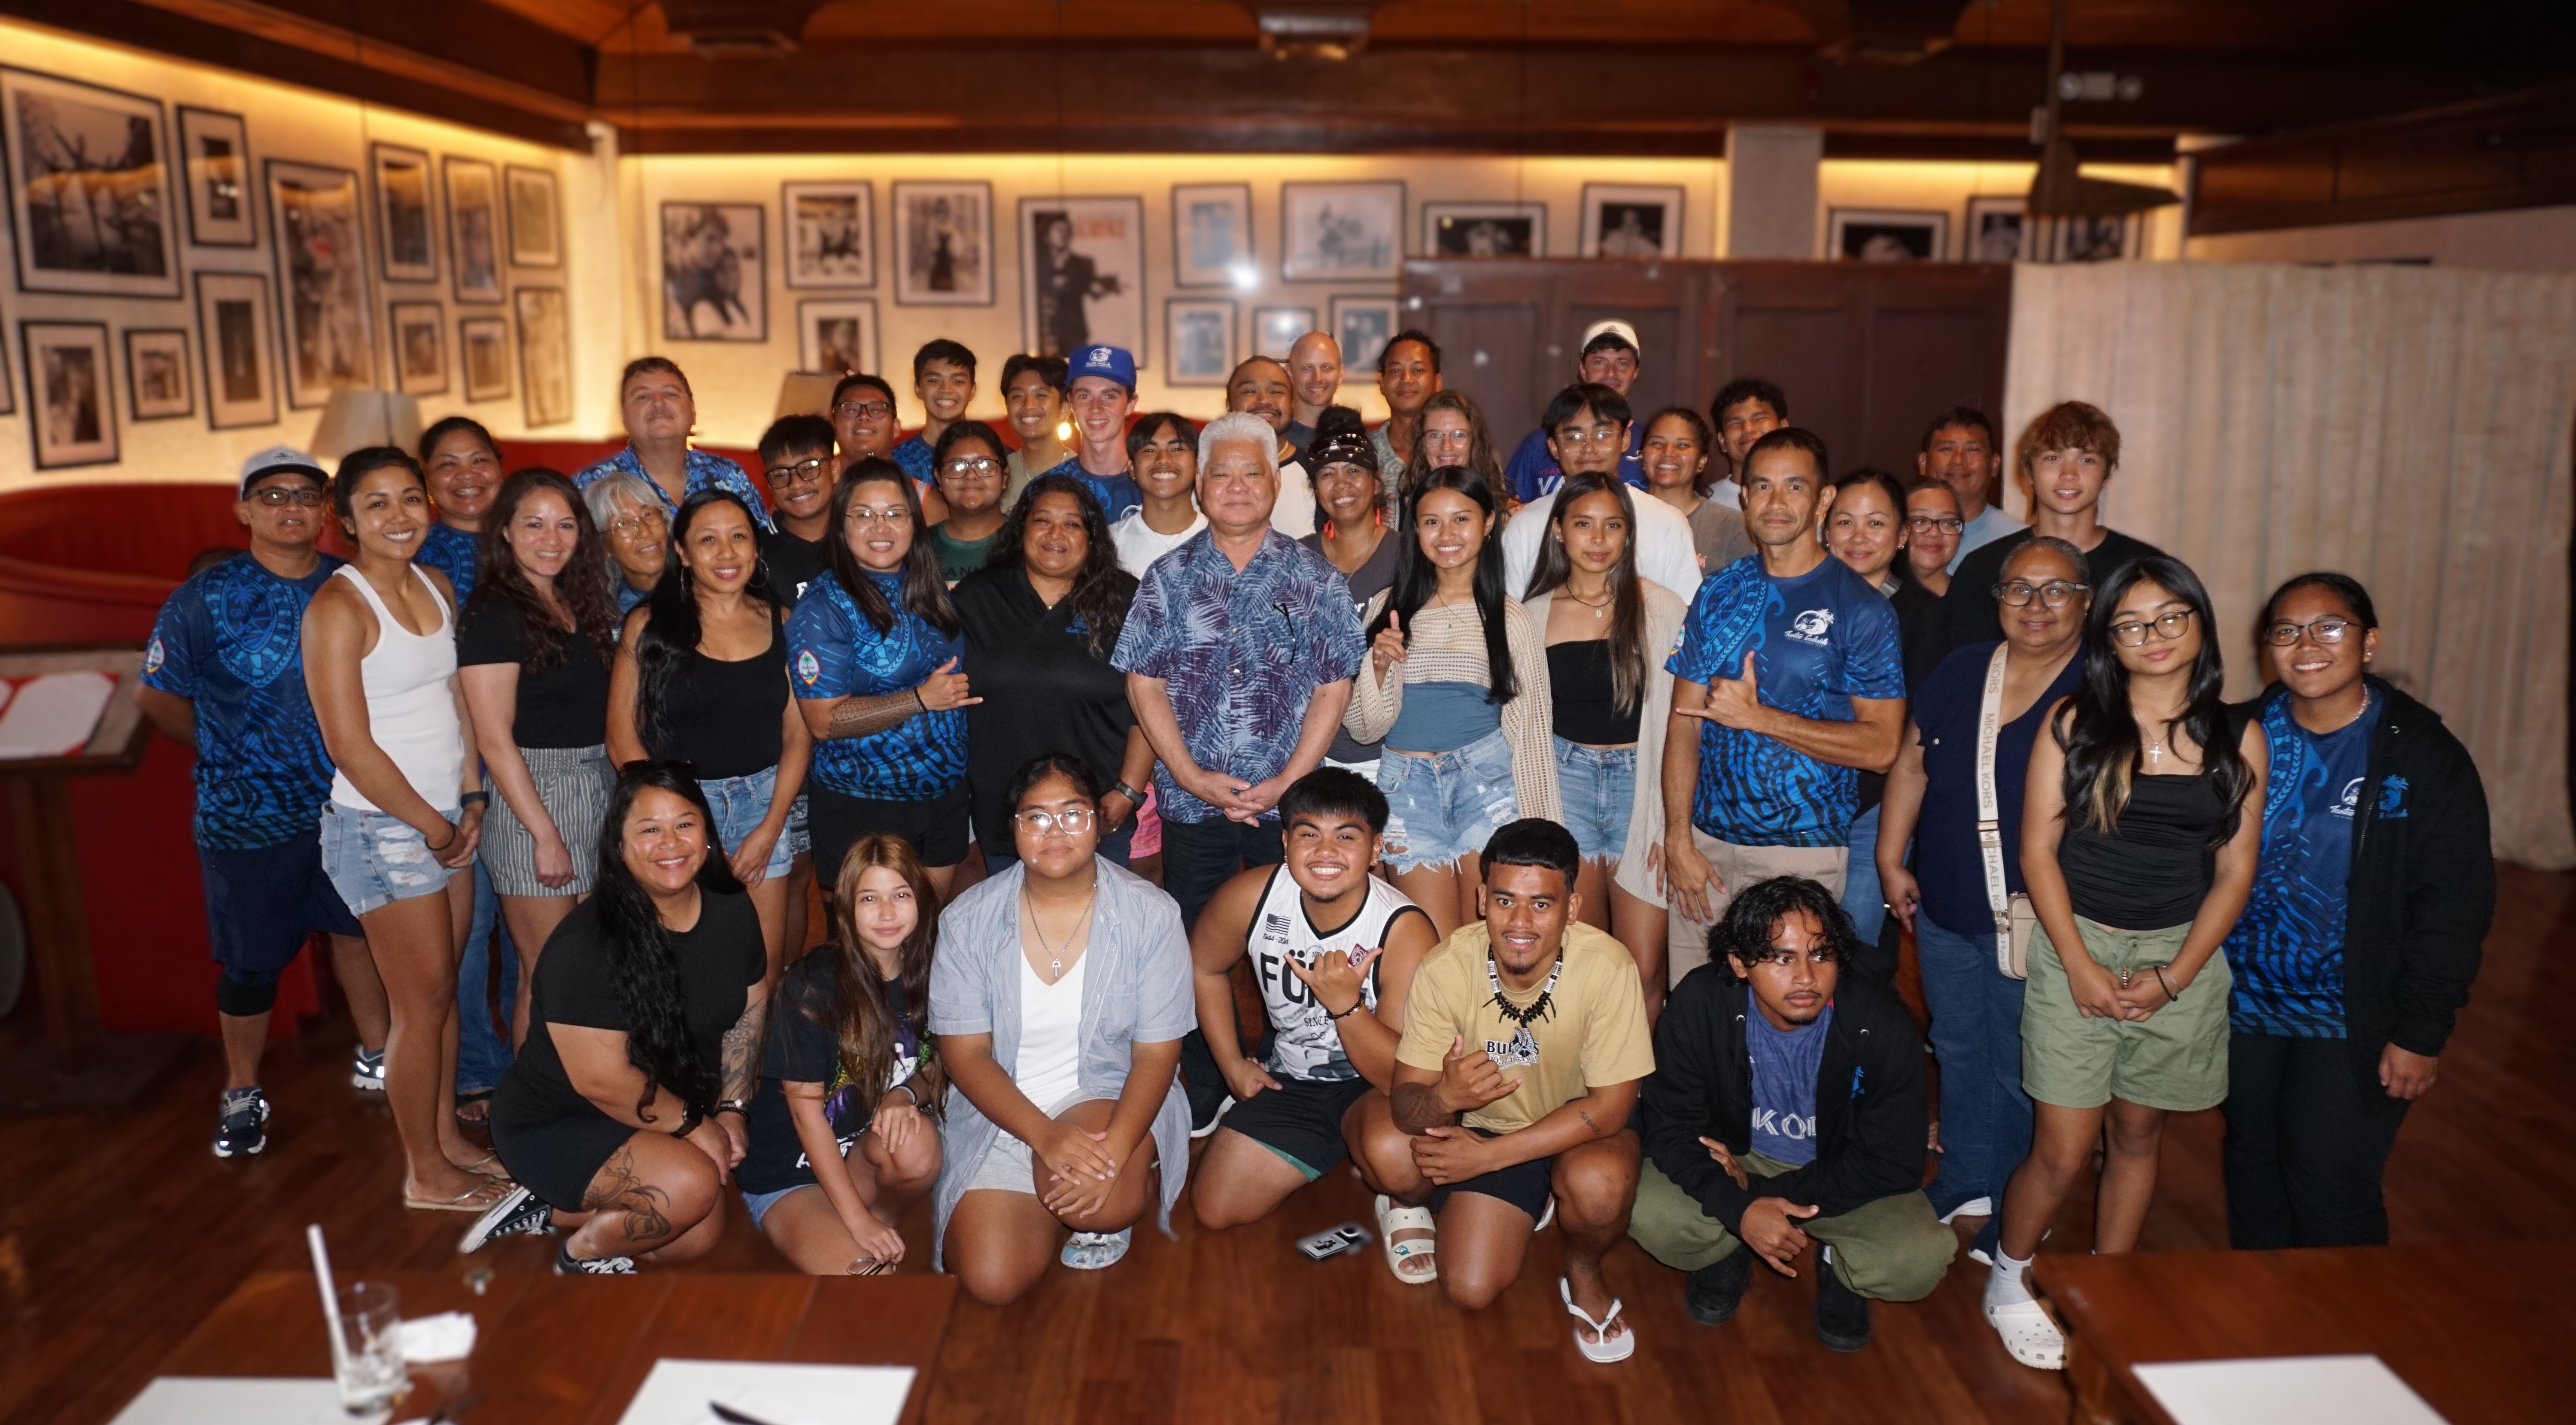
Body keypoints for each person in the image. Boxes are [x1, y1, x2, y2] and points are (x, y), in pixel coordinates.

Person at [1984, 555, 2266, 1371]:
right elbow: (2037, 848)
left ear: (2201, 625)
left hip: (2183, 954)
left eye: (2171, 617)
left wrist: (2175, 975)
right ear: (2110, 638)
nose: (2154, 636)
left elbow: (2237, 867)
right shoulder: (2077, 721)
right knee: (2064, 1149)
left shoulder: (2236, 733)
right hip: (2083, 943)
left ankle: (2109, 1287)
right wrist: (2076, 965)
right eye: (2133, 623)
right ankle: (2009, 1275)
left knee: (2138, 1136)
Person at [2222, 573, 2492, 1249]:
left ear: (2369, 642)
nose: (2307, 645)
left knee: (2329, 1184)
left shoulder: (2420, 754)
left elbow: (2454, 903)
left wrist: (2423, 1029)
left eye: (2330, 628)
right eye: (2286, 632)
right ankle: (2264, 1329)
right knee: (2252, 1165)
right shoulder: (2234, 735)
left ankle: (2349, 1339)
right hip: (2235, 1006)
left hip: (2353, 1014)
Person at [140, 446, 388, 1158]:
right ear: (245, 511)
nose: (291, 508)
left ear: (325, 513)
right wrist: (230, 751)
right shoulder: (203, 598)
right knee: (252, 964)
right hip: (245, 818)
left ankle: (380, 1056)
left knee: (359, 934)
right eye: (272, 496)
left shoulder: (356, 584)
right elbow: (156, 696)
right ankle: (242, 1091)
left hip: (349, 806)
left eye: (306, 495)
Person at [464, 763, 769, 1273]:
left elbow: (750, 1012)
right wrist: (697, 1125)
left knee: (695, 1236)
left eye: (685, 823)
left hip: (657, 1102)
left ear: (708, 834)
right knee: (689, 1189)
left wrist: (735, 1107)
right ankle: (577, 1255)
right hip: (559, 1117)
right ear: (619, 846)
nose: (670, 842)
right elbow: (603, 1082)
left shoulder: (731, 906)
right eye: (649, 829)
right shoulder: (585, 946)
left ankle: (544, 1206)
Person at [302, 447, 503, 1212]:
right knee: (417, 1008)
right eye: (376, 504)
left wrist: (470, 797)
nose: (399, 516)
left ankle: (449, 1141)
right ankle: (424, 1172)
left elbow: (456, 701)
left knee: (444, 993)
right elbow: (348, 745)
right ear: (345, 521)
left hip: (445, 817)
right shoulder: (338, 608)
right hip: (382, 830)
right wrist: (431, 824)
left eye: (410, 499)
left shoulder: (437, 584)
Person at [1632, 877, 1954, 1352]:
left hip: (1839, 1171)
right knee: (1650, 1212)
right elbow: (1668, 1125)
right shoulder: (1701, 1003)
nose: (1806, 976)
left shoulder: (1879, 1022)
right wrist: (1738, 1208)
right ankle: (1729, 1249)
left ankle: (1837, 1267)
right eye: (1782, 957)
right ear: (1740, 963)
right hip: (1738, 1156)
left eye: (1821, 954)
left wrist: (1752, 1198)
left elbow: (1894, 1163)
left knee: (1916, 1261)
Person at [1878, 538, 2092, 1241]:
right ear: (1997, 599)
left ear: (2085, 601)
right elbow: (1912, 763)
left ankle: (2021, 1206)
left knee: (2022, 1062)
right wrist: (1890, 853)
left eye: (2055, 590)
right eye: (2020, 589)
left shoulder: (2103, 687)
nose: (2035, 606)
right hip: (1945, 902)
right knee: (1960, 1048)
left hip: (2042, 918)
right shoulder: (1965, 668)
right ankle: (1969, 1177)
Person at [929, 755, 1194, 1303]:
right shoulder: (966, 919)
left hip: (1105, 1096)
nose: (1055, 832)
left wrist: (1121, 1145)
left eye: (1073, 814)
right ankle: (1049, 1196)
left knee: (1109, 1194)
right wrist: (1045, 1137)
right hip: (1002, 1109)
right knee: (990, 1280)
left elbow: (1156, 1055)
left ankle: (1097, 1199)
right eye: (1036, 817)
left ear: (1101, 820)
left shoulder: (1152, 914)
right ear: (1013, 828)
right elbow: (967, 1055)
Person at [1391, 820, 1653, 1361]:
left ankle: (1583, 1270)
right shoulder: (1446, 968)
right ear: (1483, 898)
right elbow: (1405, 1102)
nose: (1520, 921)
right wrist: (1448, 1098)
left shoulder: (1608, 965)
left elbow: (1611, 1107)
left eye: (1541, 904)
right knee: (1469, 1287)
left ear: (1573, 908)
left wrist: (1488, 1157)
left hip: (1579, 1127)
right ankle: (1529, 1198)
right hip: (1494, 1129)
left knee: (1599, 1183)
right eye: (1506, 900)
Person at [1661, 428, 1904, 986]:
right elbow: (1684, 727)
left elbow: (1884, 748)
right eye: (1762, 486)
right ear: (1743, 496)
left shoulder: (1862, 610)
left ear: (1822, 499)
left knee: (1784, 1021)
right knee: (1698, 1017)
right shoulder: (1717, 592)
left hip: (1804, 855)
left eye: (1794, 487)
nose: (1775, 503)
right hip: (1707, 851)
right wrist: (1678, 837)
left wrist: (1759, 718)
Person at [1113, 410, 1366, 934]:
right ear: (1201, 486)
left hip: (1293, 807)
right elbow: (1144, 684)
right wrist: (1190, 776)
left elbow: (1333, 689)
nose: (1237, 487)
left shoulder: (1317, 579)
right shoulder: (1166, 578)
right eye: (1222, 475)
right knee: (1197, 941)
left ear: (1276, 483)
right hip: (1192, 802)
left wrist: (1287, 782)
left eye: (1252, 473)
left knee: (1294, 938)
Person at [1188, 770, 1443, 1282]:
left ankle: (1393, 1194)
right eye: (1309, 834)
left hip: (1374, 1088)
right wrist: (1233, 1063)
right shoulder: (1252, 894)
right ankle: (1336, 1145)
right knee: (1216, 1208)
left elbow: (1401, 1079)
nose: (1326, 851)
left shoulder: (1405, 928)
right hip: (1293, 1078)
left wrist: (1347, 1007)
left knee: (1401, 1164)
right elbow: (1203, 966)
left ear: (1375, 850)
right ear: (1285, 842)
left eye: (1347, 836)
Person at [1348, 464, 1559, 940]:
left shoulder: (1510, 617)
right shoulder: (1390, 606)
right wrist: (1378, 666)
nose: (1446, 534)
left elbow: (1531, 739)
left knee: (1490, 945)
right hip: (1406, 789)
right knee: (1436, 953)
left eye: (1461, 519)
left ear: (1487, 523)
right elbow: (1365, 729)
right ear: (1414, 529)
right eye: (1431, 521)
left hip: (1487, 786)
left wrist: (1549, 840)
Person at [608, 489, 811, 983]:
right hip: (675, 811)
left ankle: (748, 1064)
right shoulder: (649, 624)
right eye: (708, 539)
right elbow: (621, 737)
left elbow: (797, 734)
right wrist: (678, 823)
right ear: (682, 552)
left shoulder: (781, 621)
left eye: (739, 537)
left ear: (756, 548)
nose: (726, 553)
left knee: (759, 969)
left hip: (764, 804)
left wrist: (770, 827)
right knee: (684, 967)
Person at [459, 468, 620, 1045]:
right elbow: (493, 738)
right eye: (534, 525)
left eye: (565, 525)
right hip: (534, 795)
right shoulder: (494, 614)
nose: (551, 539)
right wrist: (543, 834)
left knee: (588, 968)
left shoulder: (572, 601)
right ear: (504, 531)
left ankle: (578, 1099)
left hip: (593, 785)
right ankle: (530, 1119)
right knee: (548, 975)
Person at [735, 834, 945, 1274]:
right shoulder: (814, 986)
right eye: (870, 897)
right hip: (791, 1174)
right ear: (846, 907)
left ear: (923, 900)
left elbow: (929, 1063)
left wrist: (904, 1094)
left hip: (858, 1159)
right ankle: (836, 1226)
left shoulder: (933, 971)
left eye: (900, 894)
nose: (887, 912)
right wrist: (857, 1222)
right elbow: (805, 1113)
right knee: (871, 1279)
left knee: (918, 1145)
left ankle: (867, 1222)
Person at [1522, 470, 1687, 1010]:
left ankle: (1645, 1094)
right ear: (1558, 532)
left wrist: (1672, 819)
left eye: (1612, 525)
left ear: (1628, 535)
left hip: (1641, 788)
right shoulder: (1530, 614)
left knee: (1643, 967)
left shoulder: (1660, 607)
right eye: (1584, 524)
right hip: (1564, 784)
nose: (1598, 539)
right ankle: (1593, 1087)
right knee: (1582, 961)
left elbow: (1682, 720)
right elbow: (1520, 727)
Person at [788, 459, 975, 896]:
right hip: (864, 804)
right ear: (841, 524)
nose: (881, 527)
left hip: (943, 797)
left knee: (928, 940)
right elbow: (824, 722)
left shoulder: (926, 584)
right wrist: (919, 699)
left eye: (895, 513)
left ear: (915, 521)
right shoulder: (823, 608)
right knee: (866, 951)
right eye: (864, 514)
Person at [953, 475, 1154, 871]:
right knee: (1017, 927)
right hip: (1004, 810)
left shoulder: (1126, 601)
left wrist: (1128, 792)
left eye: (1073, 524)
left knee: (1098, 928)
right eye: (1042, 520)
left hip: (1097, 809)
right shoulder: (977, 598)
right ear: (1021, 529)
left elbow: (1148, 707)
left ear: (1092, 537)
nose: (1055, 534)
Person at [417, 417, 516, 1115]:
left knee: (535, 925)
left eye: (478, 460)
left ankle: (538, 1059)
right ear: (427, 481)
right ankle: (479, 1067)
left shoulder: (532, 537)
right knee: (472, 927)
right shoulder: (415, 558)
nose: (466, 475)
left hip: (538, 758)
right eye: (447, 465)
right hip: (456, 770)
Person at [1822, 467, 1951, 951]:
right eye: (1845, 522)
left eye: (1875, 524)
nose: (1858, 537)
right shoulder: (1800, 601)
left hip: (1873, 809)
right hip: (1793, 804)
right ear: (1825, 529)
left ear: (1901, 536)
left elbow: (1911, 736)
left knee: (1849, 952)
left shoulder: (1926, 615)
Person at [1948, 401, 2165, 649]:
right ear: (2028, 472)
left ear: (2107, 473)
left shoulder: (2144, 568)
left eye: (2087, 460)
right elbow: (1966, 669)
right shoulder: (1983, 568)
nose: (2068, 474)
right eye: (2053, 458)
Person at [1499, 385, 1702, 606]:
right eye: (1574, 437)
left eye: (1603, 434)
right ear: (1554, 448)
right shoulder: (1525, 525)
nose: (1589, 447)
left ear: (1626, 440)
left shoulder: (1668, 522)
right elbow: (1511, 618)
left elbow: (1686, 615)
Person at [1301, 407, 1400, 782]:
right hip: (1311, 751)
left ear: (1376, 484)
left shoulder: (1409, 557)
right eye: (1327, 474)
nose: (1341, 485)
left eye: (1353, 471)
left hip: (1391, 753)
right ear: (1315, 489)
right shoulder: (1295, 559)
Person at [572, 357, 768, 526]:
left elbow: (762, 546)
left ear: (693, 411)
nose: (658, 402)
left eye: (670, 393)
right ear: (624, 418)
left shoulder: (728, 475)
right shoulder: (590, 486)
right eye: (642, 396)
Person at [1504, 321, 1648, 500]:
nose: (1611, 373)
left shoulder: (1651, 443)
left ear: (1636, 371)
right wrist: (1512, 509)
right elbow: (1507, 501)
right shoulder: (1539, 443)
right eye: (1599, 362)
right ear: (1583, 369)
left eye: (1623, 363)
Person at [1640, 406, 1753, 576]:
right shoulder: (1620, 516)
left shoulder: (1731, 526)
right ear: (1642, 455)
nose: (1668, 453)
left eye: (1683, 445)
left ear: (1702, 461)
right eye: (1657, 443)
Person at [1226, 355, 1318, 538]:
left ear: (1292, 404)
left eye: (1276, 392)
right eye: (1250, 391)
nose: (1264, 400)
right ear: (1229, 405)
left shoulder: (1317, 469)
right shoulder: (1204, 468)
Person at [1917, 407, 2021, 568]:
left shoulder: (2018, 541)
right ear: (1924, 463)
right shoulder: (1898, 530)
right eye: (1946, 449)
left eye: (1973, 449)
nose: (1958, 460)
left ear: (1995, 465)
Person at [1108, 412, 1204, 577]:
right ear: (1132, 469)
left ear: (1197, 464)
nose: (1163, 459)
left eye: (1176, 449)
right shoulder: (1109, 543)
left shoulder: (1221, 538)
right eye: (1150, 450)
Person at [755, 414, 836, 604]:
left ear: (835, 469)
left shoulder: (863, 536)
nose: (797, 484)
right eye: (780, 474)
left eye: (808, 468)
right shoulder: (756, 552)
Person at [1065, 344, 1146, 524]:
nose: (1096, 408)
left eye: (1109, 396)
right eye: (1084, 396)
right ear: (1071, 403)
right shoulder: (1049, 487)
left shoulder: (1153, 486)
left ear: (1131, 404)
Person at [924, 419, 1010, 585]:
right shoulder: (920, 547)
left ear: (1004, 477)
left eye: (984, 464)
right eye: (957, 466)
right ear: (939, 478)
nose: (971, 475)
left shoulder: (1028, 541)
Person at [891, 338, 977, 494]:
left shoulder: (995, 456)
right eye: (934, 381)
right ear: (918, 388)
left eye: (958, 381)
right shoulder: (896, 463)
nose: (946, 389)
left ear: (972, 390)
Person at [1370, 330, 1443, 510]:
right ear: (1382, 383)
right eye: (1396, 371)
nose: (1407, 379)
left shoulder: (1459, 451)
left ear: (1438, 382)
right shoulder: (1364, 453)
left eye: (1417, 370)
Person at [1001, 353, 1079, 507]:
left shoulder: (1082, 475)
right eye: (1017, 396)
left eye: (1041, 395)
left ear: (1064, 409)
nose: (1028, 405)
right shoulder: (997, 474)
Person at [1406, 389, 1507, 509]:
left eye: (1459, 435)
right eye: (1435, 435)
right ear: (1422, 444)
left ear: (1474, 441)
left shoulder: (1499, 508)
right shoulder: (1405, 510)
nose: (1447, 447)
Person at [585, 472, 668, 615]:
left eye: (648, 514)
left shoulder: (705, 590)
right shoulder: (606, 620)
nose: (645, 531)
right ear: (603, 545)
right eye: (624, 523)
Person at [1709, 377, 1787, 487]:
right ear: (1722, 441)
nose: (1748, 429)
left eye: (1759, 419)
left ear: (1783, 429)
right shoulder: (1702, 502)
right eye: (1736, 423)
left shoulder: (1813, 498)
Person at [1901, 476, 1963, 597]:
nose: (1934, 532)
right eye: (1919, 521)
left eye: (1948, 522)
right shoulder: (1875, 600)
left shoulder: (1976, 602)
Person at [1282, 330, 1343, 452]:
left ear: (1341, 374)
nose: (1318, 378)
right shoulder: (1275, 440)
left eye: (1327, 368)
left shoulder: (1357, 437)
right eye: (1307, 368)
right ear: (1290, 374)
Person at [830, 372, 901, 466]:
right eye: (851, 410)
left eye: (876, 410)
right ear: (832, 427)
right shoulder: (810, 480)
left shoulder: (913, 481)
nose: (864, 416)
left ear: (895, 427)